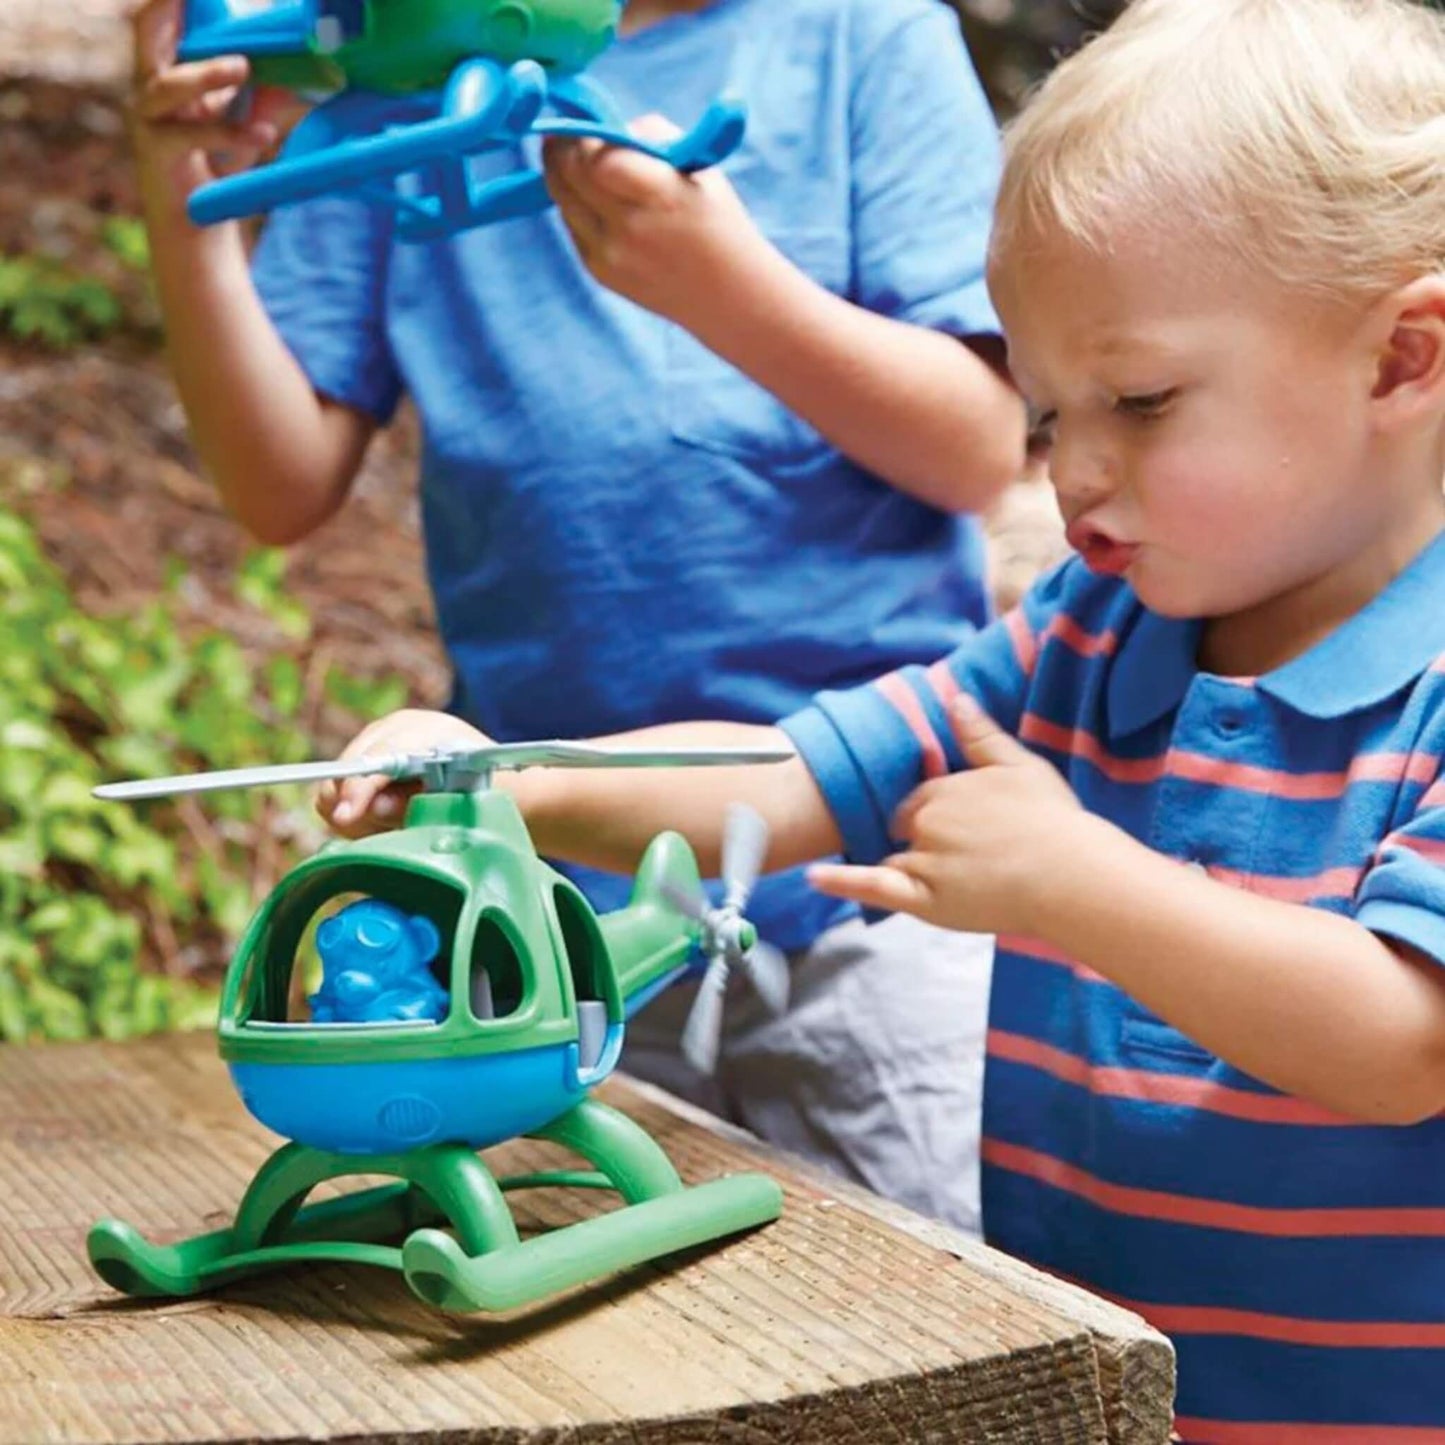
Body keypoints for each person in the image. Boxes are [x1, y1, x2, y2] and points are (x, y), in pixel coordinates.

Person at [320, 0, 1445, 1435]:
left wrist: (1084, 887)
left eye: (1142, 402)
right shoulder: (1085, 640)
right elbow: (786, 775)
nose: (1071, 475)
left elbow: (1404, 1038)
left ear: (1400, 362)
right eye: (1046, 415)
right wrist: (499, 778)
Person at [127, 0, 1026, 1233]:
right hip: (545, 915)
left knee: (940, 1314)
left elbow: (978, 447)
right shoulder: (396, 58)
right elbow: (278, 486)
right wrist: (191, 210)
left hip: (879, 883)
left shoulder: (860, 32)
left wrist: (719, 286)